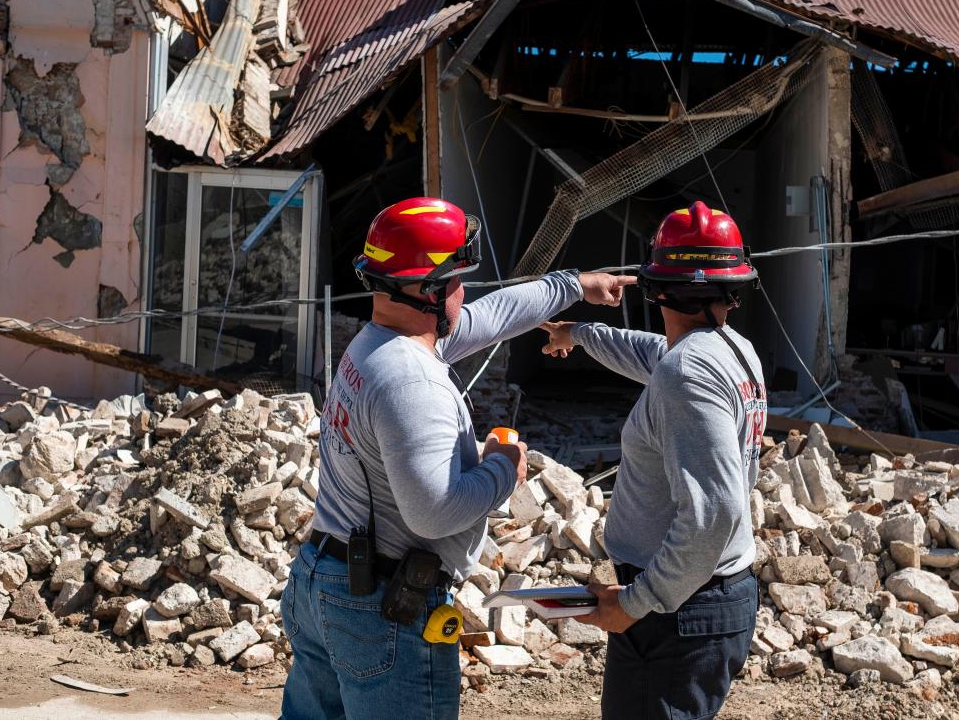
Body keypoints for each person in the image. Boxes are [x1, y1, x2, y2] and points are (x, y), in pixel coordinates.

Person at [281, 197, 633, 719]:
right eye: (457, 280)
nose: (463, 293)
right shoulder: (411, 382)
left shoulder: (378, 344)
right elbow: (434, 513)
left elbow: (491, 316)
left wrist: (575, 285)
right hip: (380, 606)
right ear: (428, 290)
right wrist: (502, 469)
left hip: (324, 579)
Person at [540, 200, 767, 720]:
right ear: (734, 285)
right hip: (697, 600)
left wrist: (638, 601)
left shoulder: (687, 374)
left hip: (678, 611)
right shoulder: (731, 350)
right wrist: (577, 333)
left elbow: (714, 514)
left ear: (658, 288)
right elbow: (651, 352)